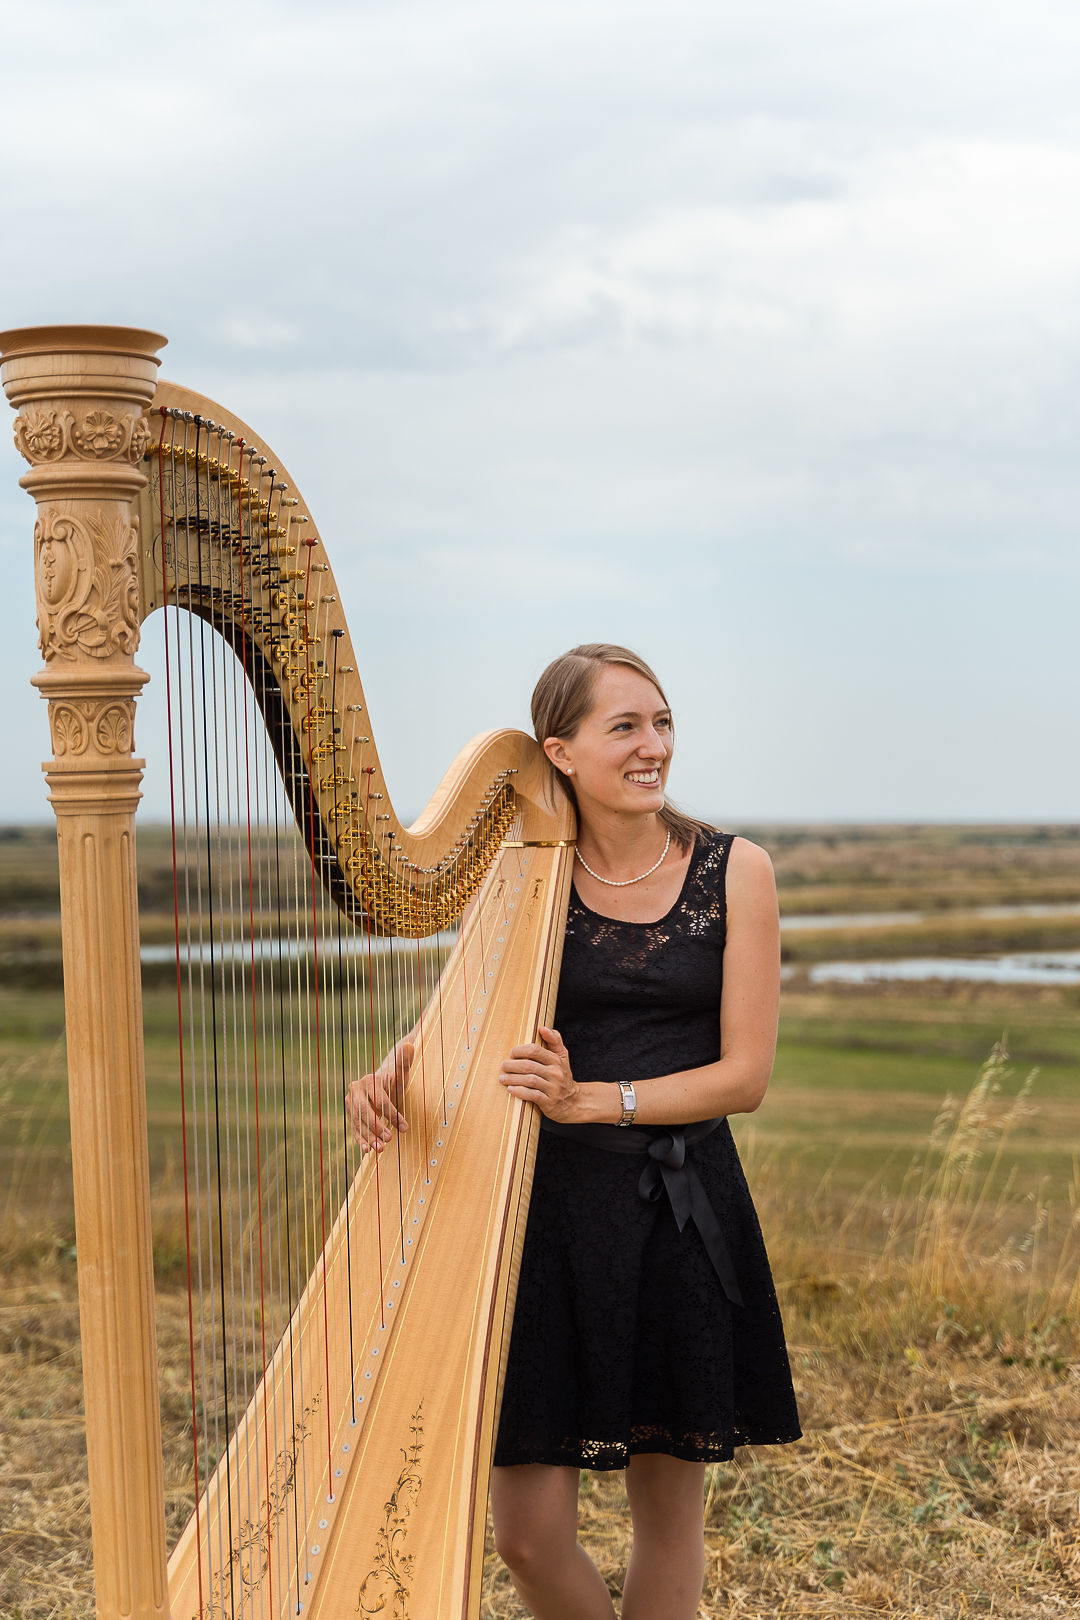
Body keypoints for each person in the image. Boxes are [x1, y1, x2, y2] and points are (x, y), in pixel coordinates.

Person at [348, 643, 801, 1619]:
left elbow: (745, 1076)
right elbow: (454, 1024)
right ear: (559, 751)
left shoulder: (736, 870)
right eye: (626, 727)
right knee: (526, 1535)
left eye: (663, 722)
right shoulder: (522, 878)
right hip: (542, 1229)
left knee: (668, 1519)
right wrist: (389, 1076)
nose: (655, 746)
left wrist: (599, 1098)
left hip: (675, 1218)